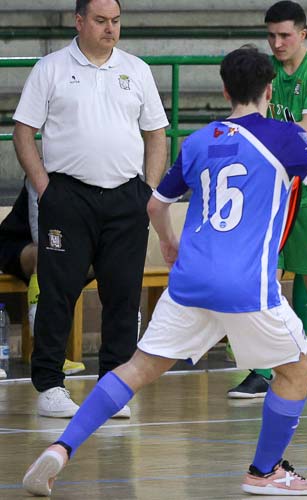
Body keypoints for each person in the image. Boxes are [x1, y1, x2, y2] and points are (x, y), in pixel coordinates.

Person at [21, 45, 307, 497]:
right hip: (246, 286)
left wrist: (168, 240)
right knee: (299, 369)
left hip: (190, 283)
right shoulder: (285, 136)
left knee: (136, 369)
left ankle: (62, 449)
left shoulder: (199, 141)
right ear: (269, 88)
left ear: (224, 90)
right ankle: (264, 472)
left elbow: (156, 204)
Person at [12, 0, 168, 418]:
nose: (110, 29)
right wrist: (46, 190)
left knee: (122, 293)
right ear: (79, 21)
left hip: (125, 199)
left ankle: (113, 386)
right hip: (68, 197)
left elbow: (156, 135)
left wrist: (148, 191)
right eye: (100, 21)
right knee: (58, 291)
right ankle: (49, 384)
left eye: (116, 21)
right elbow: (23, 132)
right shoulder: (51, 68)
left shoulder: (137, 70)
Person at [228, 0, 307, 399]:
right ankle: (262, 369)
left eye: (285, 35)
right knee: (265, 278)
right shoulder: (264, 72)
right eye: (271, 35)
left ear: (303, 34)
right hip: (270, 190)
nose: (277, 43)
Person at [0, 187, 86, 376]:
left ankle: (124, 357)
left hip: (68, 247)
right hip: (16, 246)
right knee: (47, 254)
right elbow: (41, 233)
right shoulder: (37, 174)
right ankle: (47, 351)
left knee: (107, 257)